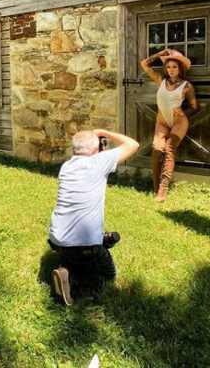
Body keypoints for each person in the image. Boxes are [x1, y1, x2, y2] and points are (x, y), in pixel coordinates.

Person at [48, 129, 139, 305]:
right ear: (97, 148)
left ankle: (66, 270)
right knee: (108, 274)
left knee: (73, 254)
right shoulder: (99, 162)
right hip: (85, 246)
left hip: (56, 240)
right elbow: (133, 145)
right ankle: (78, 282)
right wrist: (104, 132)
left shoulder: (66, 167)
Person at [140, 49, 199, 202]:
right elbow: (144, 64)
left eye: (174, 67)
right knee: (156, 149)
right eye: (168, 67)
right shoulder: (161, 81)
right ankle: (155, 187)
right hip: (162, 121)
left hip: (179, 122)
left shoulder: (186, 86)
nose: (171, 70)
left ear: (180, 69)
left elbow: (194, 106)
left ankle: (163, 190)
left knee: (169, 149)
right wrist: (161, 53)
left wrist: (183, 111)